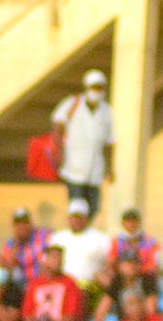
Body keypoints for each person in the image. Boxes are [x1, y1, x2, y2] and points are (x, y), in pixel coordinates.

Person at [51, 70, 115, 214]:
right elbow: (58, 127)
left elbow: (110, 142)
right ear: (87, 87)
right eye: (94, 87)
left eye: (100, 88)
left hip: (95, 170)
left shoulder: (107, 111)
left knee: (93, 208)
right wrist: (58, 153)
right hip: (74, 167)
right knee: (76, 207)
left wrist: (111, 168)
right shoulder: (72, 104)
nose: (97, 91)